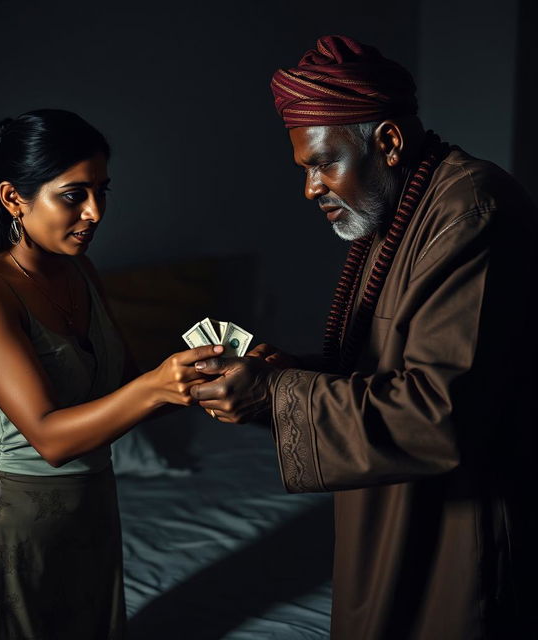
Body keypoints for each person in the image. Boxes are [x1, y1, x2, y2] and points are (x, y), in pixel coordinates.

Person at [190, 36, 538, 639]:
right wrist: (289, 372)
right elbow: (384, 365)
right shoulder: (399, 208)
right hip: (392, 519)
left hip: (459, 532)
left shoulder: (472, 210)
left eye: (323, 163)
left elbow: (439, 413)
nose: (310, 188)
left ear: (389, 143)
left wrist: (279, 394)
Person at [0, 109, 221, 639]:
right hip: (15, 526)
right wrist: (156, 387)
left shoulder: (79, 270)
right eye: (73, 195)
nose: (95, 212)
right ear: (14, 198)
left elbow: (121, 387)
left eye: (102, 191)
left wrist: (206, 372)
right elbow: (50, 438)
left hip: (92, 513)